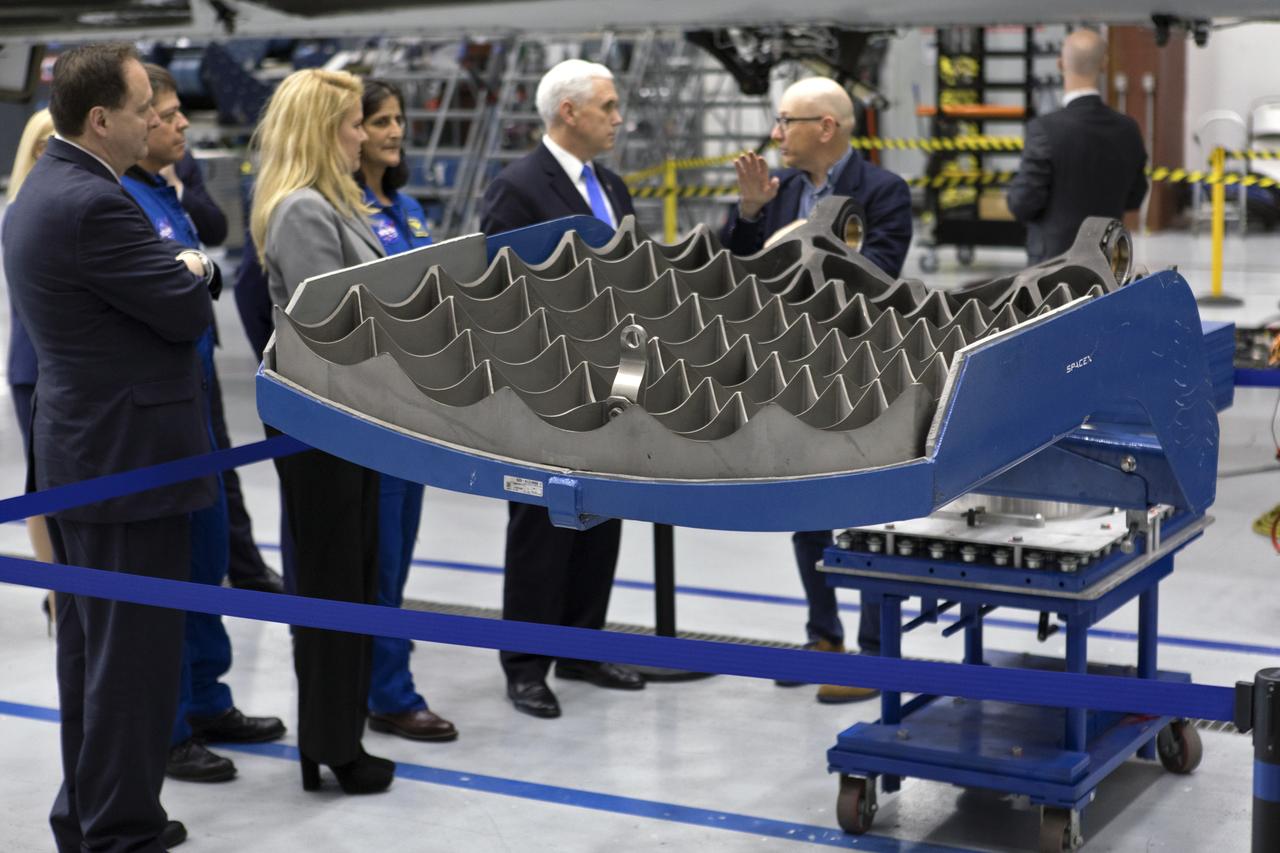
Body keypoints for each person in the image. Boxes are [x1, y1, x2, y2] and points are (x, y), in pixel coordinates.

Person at [3, 42, 221, 851]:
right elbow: (186, 308)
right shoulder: (97, 203)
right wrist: (193, 264)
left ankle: (88, 813)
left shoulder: (43, 190)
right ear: (101, 119)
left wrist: (179, 269)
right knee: (130, 660)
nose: (155, 122)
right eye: (141, 110)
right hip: (130, 460)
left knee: (93, 654)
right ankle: (119, 829)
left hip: (83, 452)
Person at [722, 76, 912, 704]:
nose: (776, 135)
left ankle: (875, 654)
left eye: (786, 122)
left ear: (825, 127)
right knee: (806, 513)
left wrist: (798, 252)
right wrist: (750, 215)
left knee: (865, 510)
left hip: (860, 375)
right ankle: (823, 636)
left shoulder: (883, 193)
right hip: (792, 371)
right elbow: (738, 274)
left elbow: (875, 280)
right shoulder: (779, 194)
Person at [121, 62, 286, 785]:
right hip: (159, 391)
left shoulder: (163, 188)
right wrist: (193, 272)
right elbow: (180, 281)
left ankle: (207, 697)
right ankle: (171, 723)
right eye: (166, 114)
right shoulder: (120, 197)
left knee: (209, 546)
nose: (184, 122)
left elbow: (206, 267)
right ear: (131, 120)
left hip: (199, 380)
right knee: (175, 559)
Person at [480, 58, 644, 719]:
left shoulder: (612, 185)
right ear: (568, 112)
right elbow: (501, 287)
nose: (618, 117)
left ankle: (581, 641)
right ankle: (526, 663)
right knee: (542, 524)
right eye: (607, 106)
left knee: (600, 512)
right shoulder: (517, 187)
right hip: (550, 383)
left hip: (613, 376)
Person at [250, 67, 394, 794]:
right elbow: (331, 324)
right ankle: (334, 742)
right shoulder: (304, 211)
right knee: (336, 583)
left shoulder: (332, 204)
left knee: (354, 577)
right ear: (321, 130)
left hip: (351, 424)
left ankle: (338, 733)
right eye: (351, 123)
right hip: (326, 427)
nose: (362, 135)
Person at [356, 78, 457, 743]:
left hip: (417, 406)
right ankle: (388, 690)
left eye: (398, 120)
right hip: (372, 408)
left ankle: (384, 679)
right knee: (379, 560)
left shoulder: (410, 207)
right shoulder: (342, 210)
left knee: (401, 554)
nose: (394, 132)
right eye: (379, 121)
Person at [1006, 28, 1148, 263]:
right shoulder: (1128, 129)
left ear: (1061, 64)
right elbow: (1135, 197)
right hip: (1108, 263)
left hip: (1050, 269)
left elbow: (1023, 203)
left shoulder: (1044, 129)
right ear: (1104, 64)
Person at [4, 109, 56, 624]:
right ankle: (54, 587)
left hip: (48, 364)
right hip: (34, 368)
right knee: (42, 487)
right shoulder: (24, 212)